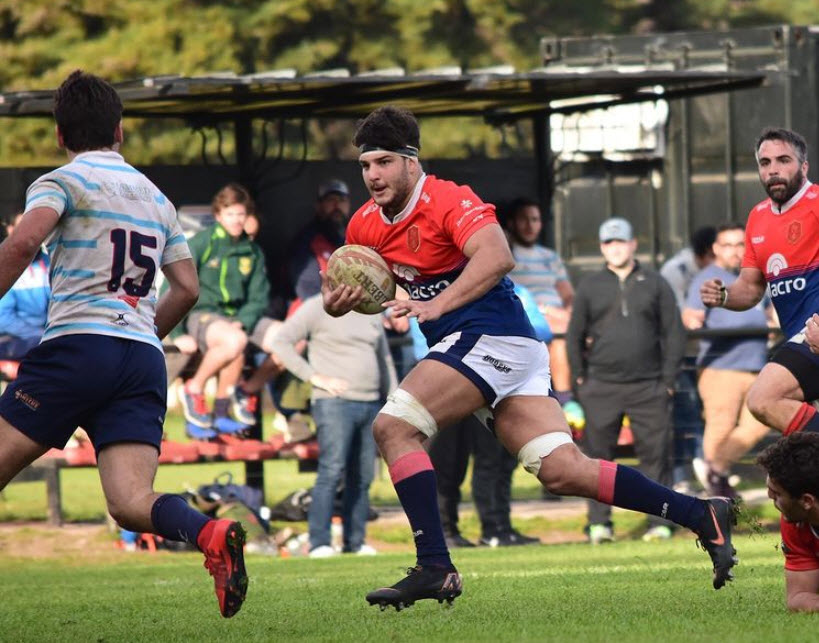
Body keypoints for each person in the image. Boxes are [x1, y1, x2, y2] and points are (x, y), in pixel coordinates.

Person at [321, 105, 738, 611]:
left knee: (394, 428)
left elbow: (498, 257)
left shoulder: (449, 199)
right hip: (479, 348)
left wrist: (435, 304)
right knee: (562, 470)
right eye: (365, 166)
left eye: (384, 162)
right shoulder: (365, 223)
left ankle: (435, 564)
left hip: (493, 336)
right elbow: (343, 288)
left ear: (412, 162)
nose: (372, 176)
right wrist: (336, 301)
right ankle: (701, 513)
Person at [0, 71, 247, 617]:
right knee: (131, 502)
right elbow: (188, 288)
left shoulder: (60, 181)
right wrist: (139, 333)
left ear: (60, 135)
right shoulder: (155, 197)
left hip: (77, 345)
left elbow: (21, 243)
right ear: (120, 130)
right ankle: (211, 533)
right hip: (140, 357)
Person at [567, 217, 686, 543]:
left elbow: (674, 332)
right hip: (600, 386)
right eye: (609, 243)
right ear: (602, 247)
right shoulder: (590, 285)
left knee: (656, 457)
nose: (615, 248)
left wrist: (668, 380)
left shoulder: (656, 282)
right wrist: (580, 380)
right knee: (596, 460)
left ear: (634, 244)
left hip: (649, 386)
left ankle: (659, 523)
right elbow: (574, 335)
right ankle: (599, 525)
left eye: (621, 242)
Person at [700, 127, 819, 436]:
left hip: (813, 333)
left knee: (764, 397)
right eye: (765, 163)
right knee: (772, 404)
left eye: (783, 160)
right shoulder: (758, 217)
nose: (773, 169)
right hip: (805, 338)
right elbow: (751, 288)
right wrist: (723, 295)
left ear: (804, 167)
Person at [270, 294, 397, 557]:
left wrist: (393, 398)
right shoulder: (316, 306)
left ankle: (355, 541)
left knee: (362, 476)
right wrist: (314, 377)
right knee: (331, 471)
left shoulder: (370, 308)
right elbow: (280, 342)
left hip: (371, 402)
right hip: (333, 403)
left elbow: (383, 357)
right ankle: (319, 542)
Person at [684, 222, 772, 497]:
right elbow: (690, 316)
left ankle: (715, 470)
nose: (735, 250)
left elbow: (771, 313)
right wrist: (693, 322)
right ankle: (717, 489)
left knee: (759, 423)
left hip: (756, 365)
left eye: (740, 244)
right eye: (728, 245)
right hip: (721, 366)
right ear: (715, 249)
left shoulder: (754, 277)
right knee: (719, 426)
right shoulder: (707, 278)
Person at [174, 183, 270, 433]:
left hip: (236, 322)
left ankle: (236, 398)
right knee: (234, 341)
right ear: (218, 216)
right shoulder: (201, 243)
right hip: (203, 317)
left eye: (240, 214)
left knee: (291, 338)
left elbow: (259, 297)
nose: (236, 220)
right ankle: (193, 389)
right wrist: (177, 334)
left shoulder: (252, 250)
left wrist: (244, 320)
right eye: (230, 214)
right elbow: (174, 288)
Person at [507, 198, 574, 402]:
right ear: (512, 223)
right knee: (558, 337)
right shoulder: (507, 256)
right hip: (529, 314)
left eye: (535, 219)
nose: (530, 225)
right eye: (524, 219)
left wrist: (572, 313)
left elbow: (568, 295)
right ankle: (565, 400)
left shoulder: (550, 257)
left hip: (557, 316)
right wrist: (548, 312)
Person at [757, 432, 819, 611]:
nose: (769, 496)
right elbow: (798, 597)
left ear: (807, 501)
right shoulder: (795, 523)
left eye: (776, 494)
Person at [289, 178, 351, 306]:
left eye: (342, 200)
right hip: (317, 310)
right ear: (319, 206)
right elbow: (307, 291)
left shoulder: (355, 238)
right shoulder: (306, 240)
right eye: (331, 200)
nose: (337, 205)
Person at [0, 213, 50, 361]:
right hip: (12, 338)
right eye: (24, 227)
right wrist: (41, 334)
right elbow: (3, 317)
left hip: (43, 337)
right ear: (10, 229)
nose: (33, 233)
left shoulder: (50, 262)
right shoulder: (4, 263)